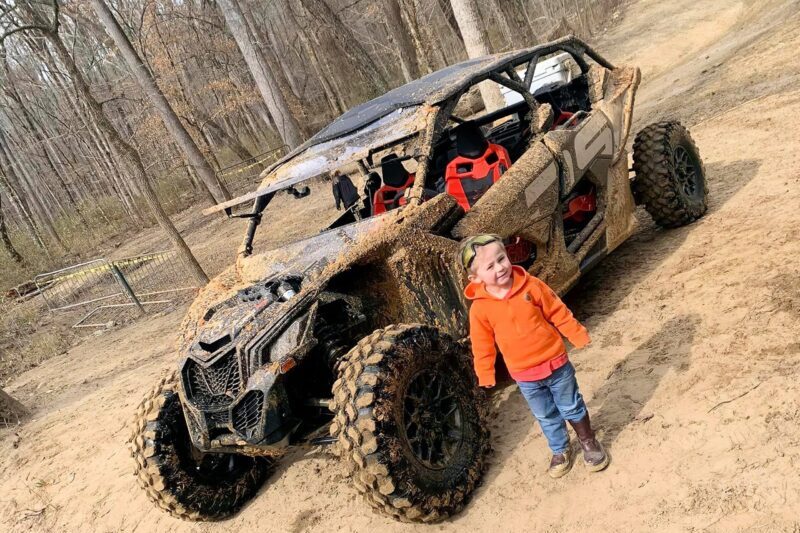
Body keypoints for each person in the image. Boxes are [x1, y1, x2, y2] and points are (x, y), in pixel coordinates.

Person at [459, 234, 609, 478]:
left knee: (571, 405)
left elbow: (557, 311)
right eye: (490, 266)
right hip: (525, 375)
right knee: (546, 414)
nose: (500, 267)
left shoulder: (531, 286)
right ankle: (560, 450)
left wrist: (576, 333)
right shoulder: (480, 308)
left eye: (502, 258)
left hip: (555, 363)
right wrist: (485, 372)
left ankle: (588, 441)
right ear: (475, 278)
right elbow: (482, 344)